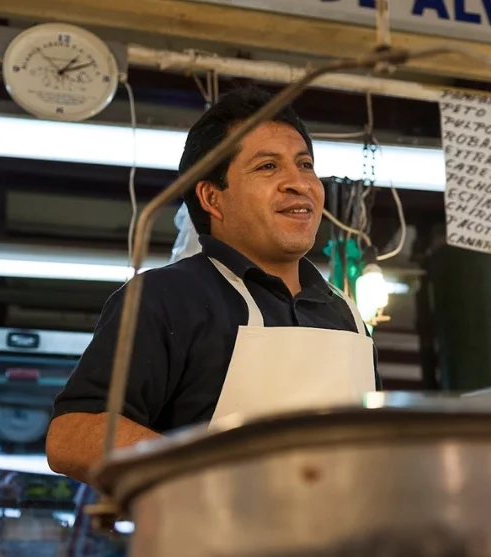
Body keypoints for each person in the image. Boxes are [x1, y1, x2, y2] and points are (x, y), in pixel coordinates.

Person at [45, 86, 381, 484]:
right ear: (211, 197)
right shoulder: (164, 298)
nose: (299, 183)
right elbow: (72, 436)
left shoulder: (347, 315)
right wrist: (217, 476)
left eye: (305, 164)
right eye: (267, 167)